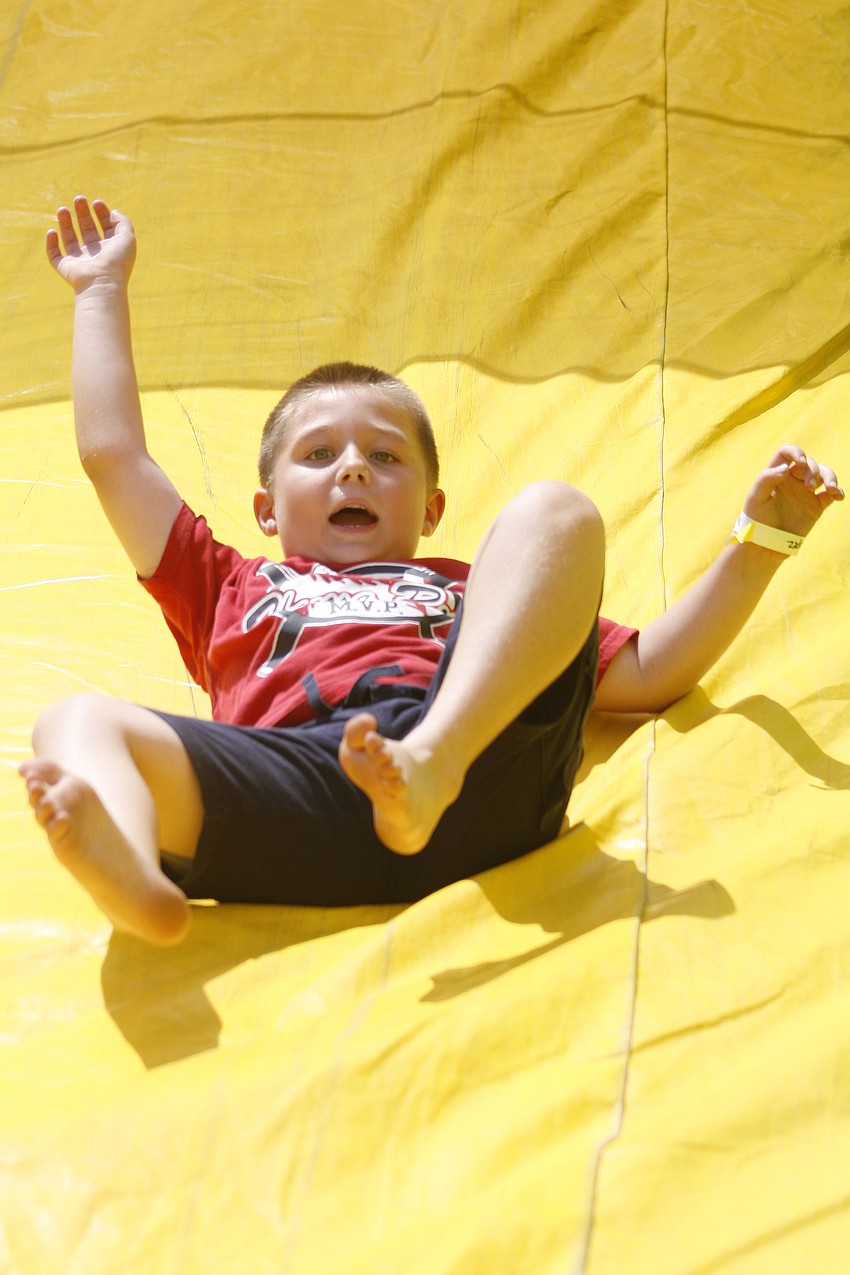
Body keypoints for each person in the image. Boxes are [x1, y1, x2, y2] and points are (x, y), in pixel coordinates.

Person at [19, 196, 844, 946]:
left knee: (555, 510)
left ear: (432, 510)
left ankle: (431, 761)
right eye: (319, 454)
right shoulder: (225, 584)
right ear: (266, 510)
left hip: (476, 772)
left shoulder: (477, 594)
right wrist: (100, 291)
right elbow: (113, 457)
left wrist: (760, 543)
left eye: (385, 456)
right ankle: (131, 872)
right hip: (301, 796)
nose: (353, 469)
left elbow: (650, 672)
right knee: (73, 723)